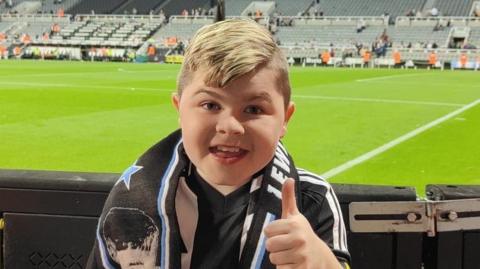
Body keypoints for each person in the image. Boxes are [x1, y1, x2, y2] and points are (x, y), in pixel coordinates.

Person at [87, 18, 350, 269]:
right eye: (210, 105)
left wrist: (321, 261)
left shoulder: (312, 199)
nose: (230, 126)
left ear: (285, 119)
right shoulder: (131, 198)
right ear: (179, 109)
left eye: (254, 109)